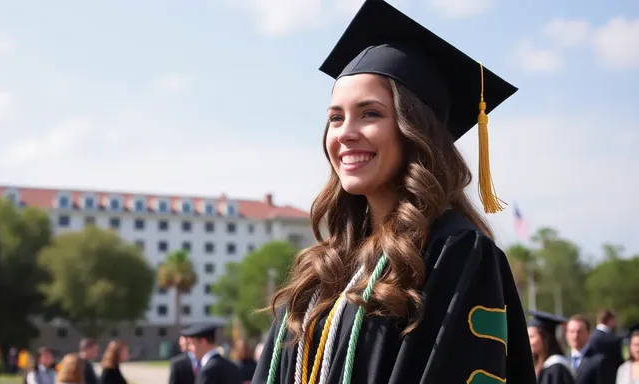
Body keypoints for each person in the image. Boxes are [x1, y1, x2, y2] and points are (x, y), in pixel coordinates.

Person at [252, 1, 536, 383]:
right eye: (336, 117)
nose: (346, 132)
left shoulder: (454, 254)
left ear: (415, 130)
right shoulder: (324, 269)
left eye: (370, 113)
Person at [528, 311, 575, 384]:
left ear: (545, 338)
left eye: (531, 337)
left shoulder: (557, 368)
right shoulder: (542, 366)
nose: (528, 341)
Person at [565, 314, 613, 384]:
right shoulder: (563, 359)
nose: (575, 336)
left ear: (588, 333)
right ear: (566, 334)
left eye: (579, 332)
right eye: (572, 331)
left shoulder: (599, 361)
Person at [588, 309, 624, 381]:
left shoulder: (589, 337)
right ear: (611, 320)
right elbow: (619, 364)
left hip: (590, 377)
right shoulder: (614, 339)